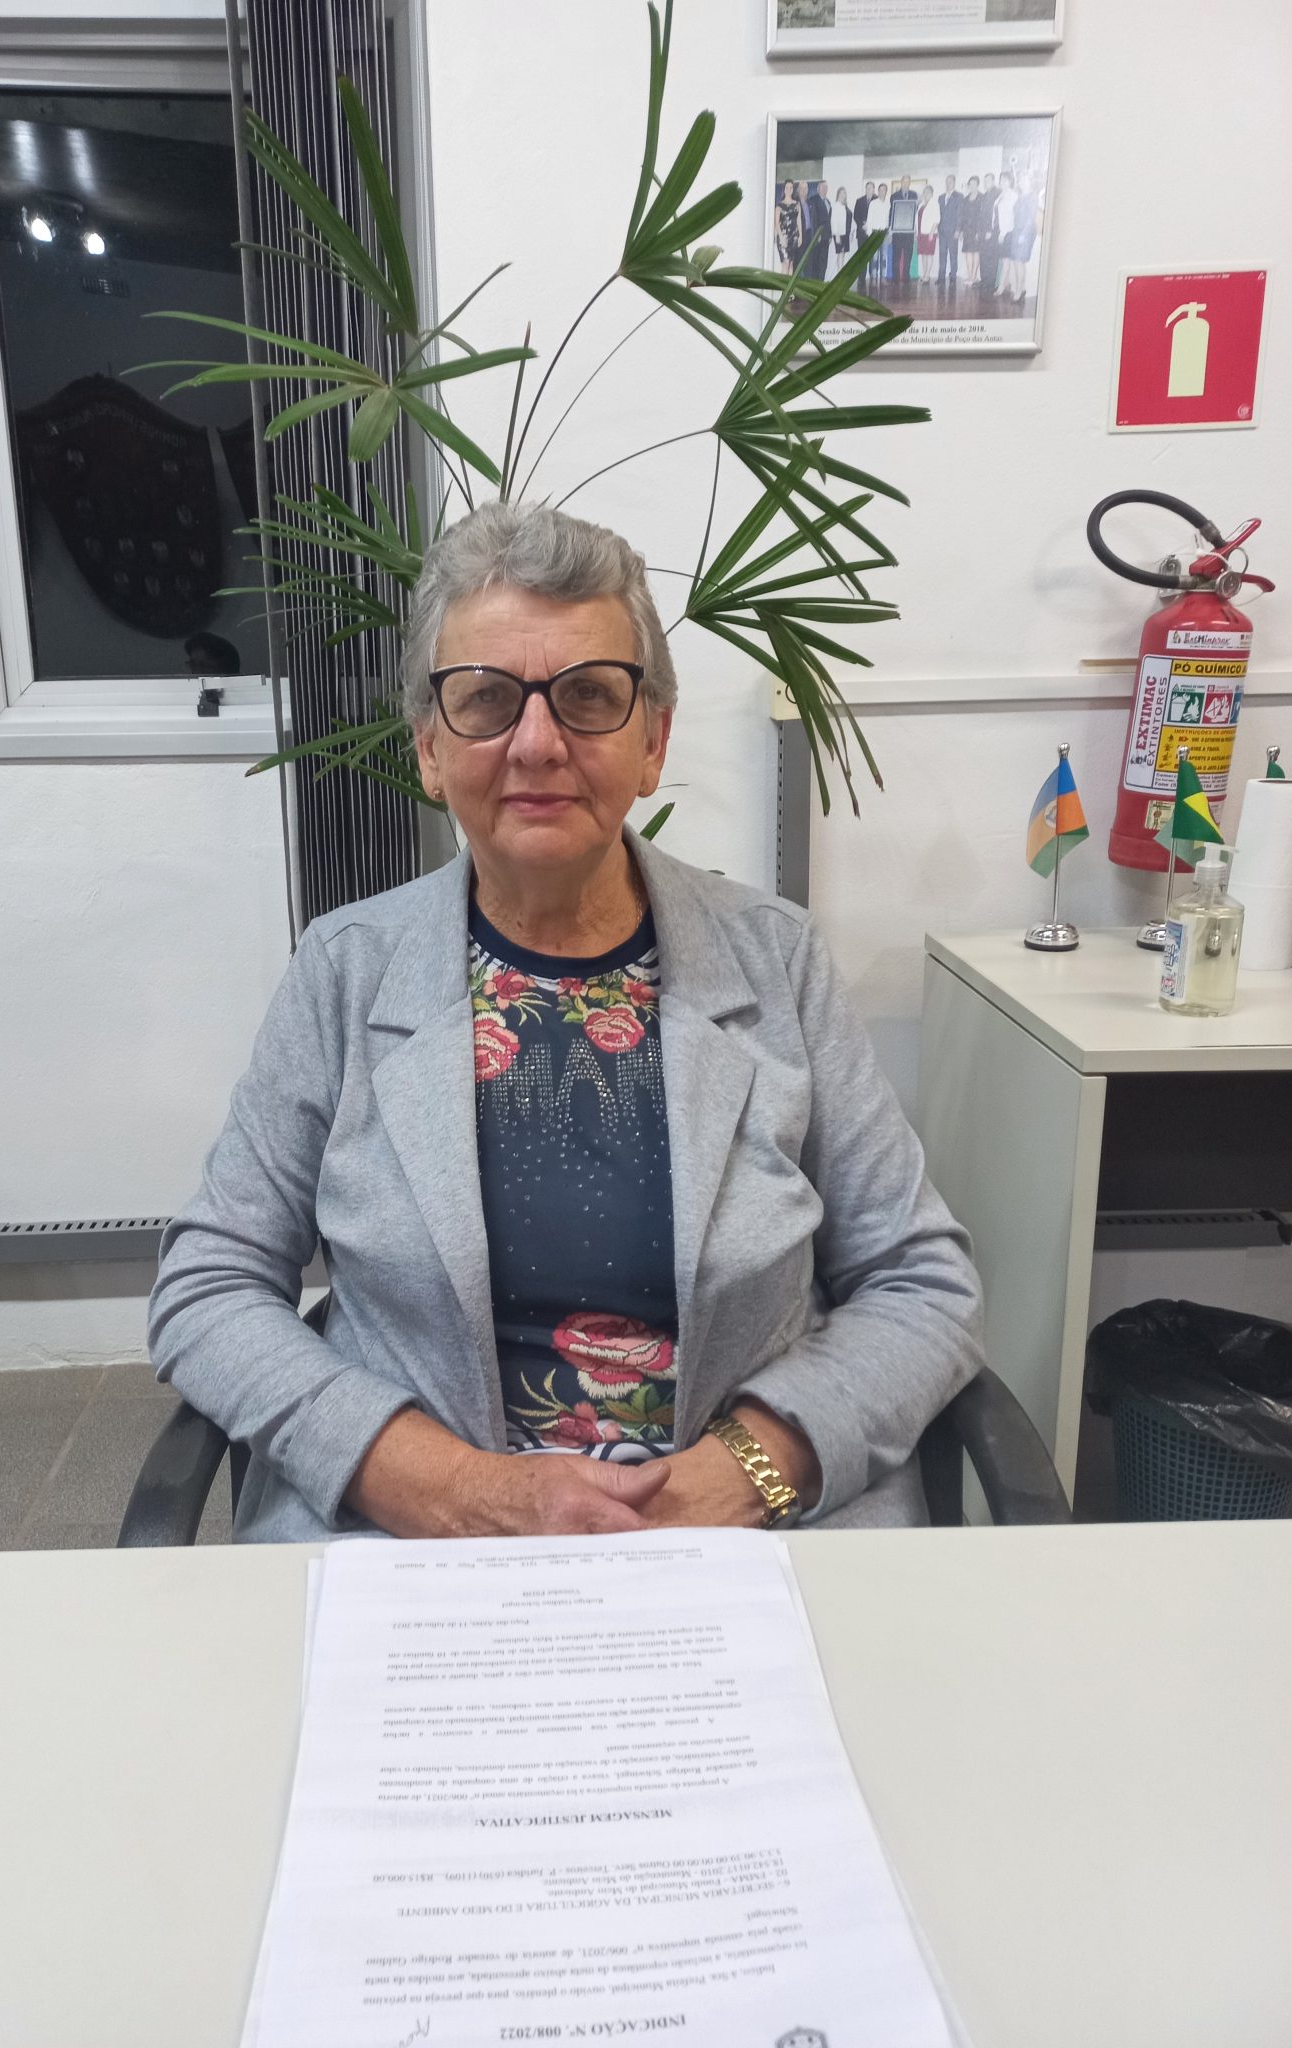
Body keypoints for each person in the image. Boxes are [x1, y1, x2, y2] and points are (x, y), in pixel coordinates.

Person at [149, 503, 984, 1542]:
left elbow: (919, 1281)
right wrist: (448, 1487)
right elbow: (209, 1286)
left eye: (589, 695)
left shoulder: (777, 960)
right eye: (487, 698)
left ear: (652, 741)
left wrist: (739, 1475)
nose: (538, 743)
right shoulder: (345, 971)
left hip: (750, 1535)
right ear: (428, 747)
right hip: (413, 1536)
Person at [1004, 172, 1039, 305]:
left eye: (1024, 180)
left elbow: (1030, 218)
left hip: (1026, 232)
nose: (1021, 182)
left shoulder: (1032, 197)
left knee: (1019, 261)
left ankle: (1018, 292)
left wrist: (1023, 234)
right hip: (1016, 231)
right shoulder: (1020, 196)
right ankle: (1021, 288)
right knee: (1016, 261)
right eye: (1020, 180)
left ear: (1030, 181)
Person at [887, 175, 918, 286]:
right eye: (904, 182)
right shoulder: (894, 196)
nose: (905, 184)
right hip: (897, 232)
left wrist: (915, 229)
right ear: (901, 182)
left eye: (907, 182)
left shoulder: (914, 195)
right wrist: (890, 230)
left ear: (910, 183)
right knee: (896, 256)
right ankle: (895, 278)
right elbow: (891, 213)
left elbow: (915, 213)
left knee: (908, 256)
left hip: (909, 232)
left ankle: (906, 277)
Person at [993, 171, 1018, 300]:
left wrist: (1003, 233)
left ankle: (1001, 287)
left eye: (1004, 180)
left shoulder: (1012, 195)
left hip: (1007, 232)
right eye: (1001, 179)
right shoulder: (1001, 195)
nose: (1002, 182)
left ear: (1010, 181)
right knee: (1003, 261)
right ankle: (1005, 283)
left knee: (1005, 261)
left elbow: (1010, 217)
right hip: (998, 230)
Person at [976, 172, 1001, 297]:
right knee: (983, 256)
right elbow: (981, 215)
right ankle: (984, 280)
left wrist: (990, 231)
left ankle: (990, 283)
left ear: (993, 181)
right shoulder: (984, 195)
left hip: (991, 232)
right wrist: (978, 231)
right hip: (982, 231)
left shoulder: (998, 194)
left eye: (988, 181)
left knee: (991, 257)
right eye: (985, 181)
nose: (986, 183)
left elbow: (995, 214)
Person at [801, 179, 832, 281]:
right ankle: (814, 283)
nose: (824, 189)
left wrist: (830, 235)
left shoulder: (828, 202)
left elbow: (828, 221)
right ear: (818, 189)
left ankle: (821, 283)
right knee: (815, 262)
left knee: (824, 262)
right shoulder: (813, 200)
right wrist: (816, 235)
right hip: (817, 237)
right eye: (822, 187)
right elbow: (813, 219)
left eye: (826, 187)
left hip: (826, 237)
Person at [936, 174, 961, 289]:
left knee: (953, 254)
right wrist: (937, 229)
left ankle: (953, 276)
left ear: (954, 183)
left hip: (952, 231)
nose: (948, 183)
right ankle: (941, 277)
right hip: (942, 230)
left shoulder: (959, 196)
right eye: (947, 181)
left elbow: (960, 214)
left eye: (950, 181)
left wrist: (958, 230)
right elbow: (938, 214)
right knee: (942, 254)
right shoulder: (941, 197)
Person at [774, 180, 804, 274]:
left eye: (791, 187)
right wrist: (781, 237)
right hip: (783, 236)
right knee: (786, 263)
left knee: (791, 264)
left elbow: (799, 220)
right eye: (787, 187)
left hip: (794, 236)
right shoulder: (779, 205)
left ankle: (789, 283)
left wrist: (800, 236)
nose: (789, 189)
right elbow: (776, 222)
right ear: (784, 189)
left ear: (793, 189)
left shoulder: (797, 204)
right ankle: (783, 284)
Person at [865, 180, 890, 284]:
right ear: (878, 192)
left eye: (884, 190)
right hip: (874, 233)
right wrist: (869, 235)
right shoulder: (873, 203)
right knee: (874, 257)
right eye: (880, 190)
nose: (882, 192)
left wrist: (889, 233)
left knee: (884, 257)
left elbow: (888, 220)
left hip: (884, 233)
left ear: (886, 192)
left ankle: (883, 277)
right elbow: (869, 220)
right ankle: (874, 278)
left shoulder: (888, 204)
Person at [960, 175, 982, 285]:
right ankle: (970, 276)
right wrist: (961, 230)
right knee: (968, 252)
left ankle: (974, 276)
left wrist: (979, 231)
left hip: (977, 230)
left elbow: (983, 216)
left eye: (974, 184)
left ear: (978, 185)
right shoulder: (965, 199)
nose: (972, 186)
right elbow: (962, 216)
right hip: (967, 230)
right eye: (970, 184)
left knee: (976, 252)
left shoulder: (982, 198)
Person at [915, 183, 939, 285]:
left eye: (928, 192)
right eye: (924, 192)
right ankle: (924, 274)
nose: (926, 194)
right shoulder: (921, 205)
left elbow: (936, 220)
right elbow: (917, 219)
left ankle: (928, 275)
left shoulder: (934, 204)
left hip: (930, 233)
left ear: (932, 193)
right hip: (921, 233)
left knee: (929, 254)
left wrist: (931, 233)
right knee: (923, 254)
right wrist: (917, 232)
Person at [828, 184, 853, 278]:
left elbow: (850, 220)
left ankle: (840, 273)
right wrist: (836, 234)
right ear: (838, 194)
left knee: (842, 254)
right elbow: (833, 221)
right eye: (841, 193)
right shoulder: (835, 206)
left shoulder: (845, 206)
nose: (843, 195)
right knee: (840, 253)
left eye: (844, 193)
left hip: (845, 233)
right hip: (839, 234)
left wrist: (851, 233)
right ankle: (839, 275)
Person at [853, 178, 875, 253]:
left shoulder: (877, 200)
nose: (868, 189)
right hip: (861, 232)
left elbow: (878, 216)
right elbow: (856, 215)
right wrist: (862, 225)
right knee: (861, 254)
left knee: (871, 254)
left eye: (870, 188)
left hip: (872, 232)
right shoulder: (859, 201)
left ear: (873, 189)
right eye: (867, 188)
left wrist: (869, 224)